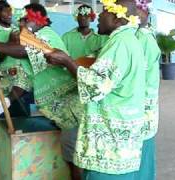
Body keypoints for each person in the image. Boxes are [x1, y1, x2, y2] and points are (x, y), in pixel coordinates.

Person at [0, 3, 84, 179]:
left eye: (25, 19)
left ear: (39, 21)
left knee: (76, 156)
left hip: (73, 107)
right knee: (68, 154)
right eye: (21, 20)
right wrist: (8, 100)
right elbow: (25, 79)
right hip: (60, 113)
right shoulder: (31, 40)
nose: (21, 23)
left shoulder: (46, 35)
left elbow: (25, 50)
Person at [45, 0, 147, 179]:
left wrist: (68, 62)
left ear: (116, 18)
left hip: (109, 143)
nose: (98, 16)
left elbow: (96, 85)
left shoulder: (120, 43)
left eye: (105, 11)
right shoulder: (128, 39)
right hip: (120, 141)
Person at [0, 0, 33, 120]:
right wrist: (9, 43)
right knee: (5, 121)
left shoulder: (18, 29)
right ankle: (5, 102)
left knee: (23, 120)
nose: (9, 14)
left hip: (26, 78)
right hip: (7, 78)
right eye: (5, 11)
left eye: (10, 10)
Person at [134, 1, 161, 179]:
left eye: (136, 11)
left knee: (142, 151)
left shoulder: (144, 38)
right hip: (139, 104)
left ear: (145, 14)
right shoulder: (136, 36)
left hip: (142, 105)